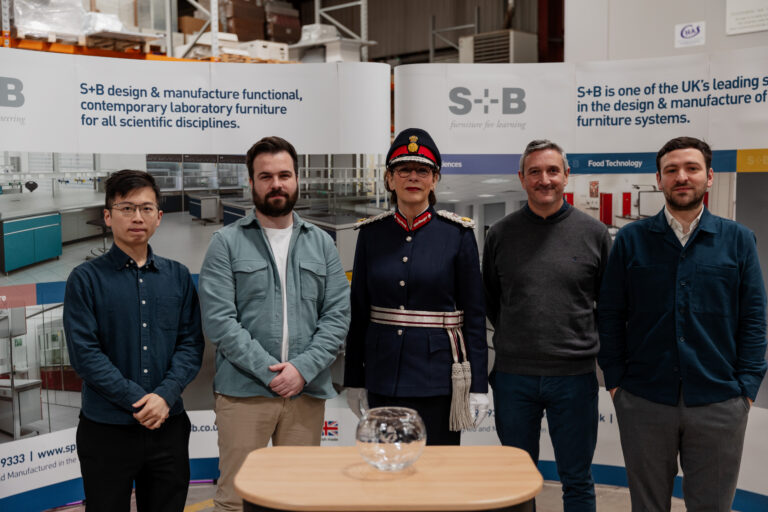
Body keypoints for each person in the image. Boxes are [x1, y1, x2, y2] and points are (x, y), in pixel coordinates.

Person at [598, 136, 767, 511]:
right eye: (671, 170)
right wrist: (616, 383)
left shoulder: (738, 241)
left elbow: (755, 318)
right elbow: (609, 315)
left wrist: (747, 388)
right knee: (648, 505)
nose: (681, 177)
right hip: (643, 400)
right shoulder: (630, 240)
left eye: (691, 168)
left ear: (709, 177)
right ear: (659, 179)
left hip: (720, 401)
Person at [198, 136, 350, 512]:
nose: (276, 184)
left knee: (296, 498)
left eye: (284, 175)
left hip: (305, 393)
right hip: (243, 393)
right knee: (235, 499)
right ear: (251, 183)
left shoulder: (323, 245)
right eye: (266, 176)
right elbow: (220, 321)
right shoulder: (226, 243)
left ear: (297, 179)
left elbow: (337, 316)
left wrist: (301, 369)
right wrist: (271, 374)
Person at [63, 170, 204, 512]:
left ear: (159, 216)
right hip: (106, 431)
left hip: (168, 429)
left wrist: (165, 396)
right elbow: (86, 355)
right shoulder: (85, 279)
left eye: (145, 208)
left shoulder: (179, 276)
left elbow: (190, 345)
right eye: (126, 208)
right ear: (108, 217)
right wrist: (142, 401)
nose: (137, 217)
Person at [483, 139, 611, 511]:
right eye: (535, 172)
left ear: (567, 176)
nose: (545, 179)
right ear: (521, 178)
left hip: (574, 377)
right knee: (517, 481)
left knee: (577, 480)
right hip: (513, 377)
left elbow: (609, 303)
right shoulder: (501, 235)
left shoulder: (594, 234)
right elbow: (491, 299)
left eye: (553, 171)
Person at [344, 127, 489, 446]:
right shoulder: (371, 235)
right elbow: (359, 314)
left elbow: (474, 319)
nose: (413, 177)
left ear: (434, 179)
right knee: (387, 474)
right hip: (384, 379)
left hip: (438, 381)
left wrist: (479, 384)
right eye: (404, 170)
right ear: (390, 178)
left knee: (437, 479)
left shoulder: (457, 235)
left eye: (422, 170)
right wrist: (354, 379)